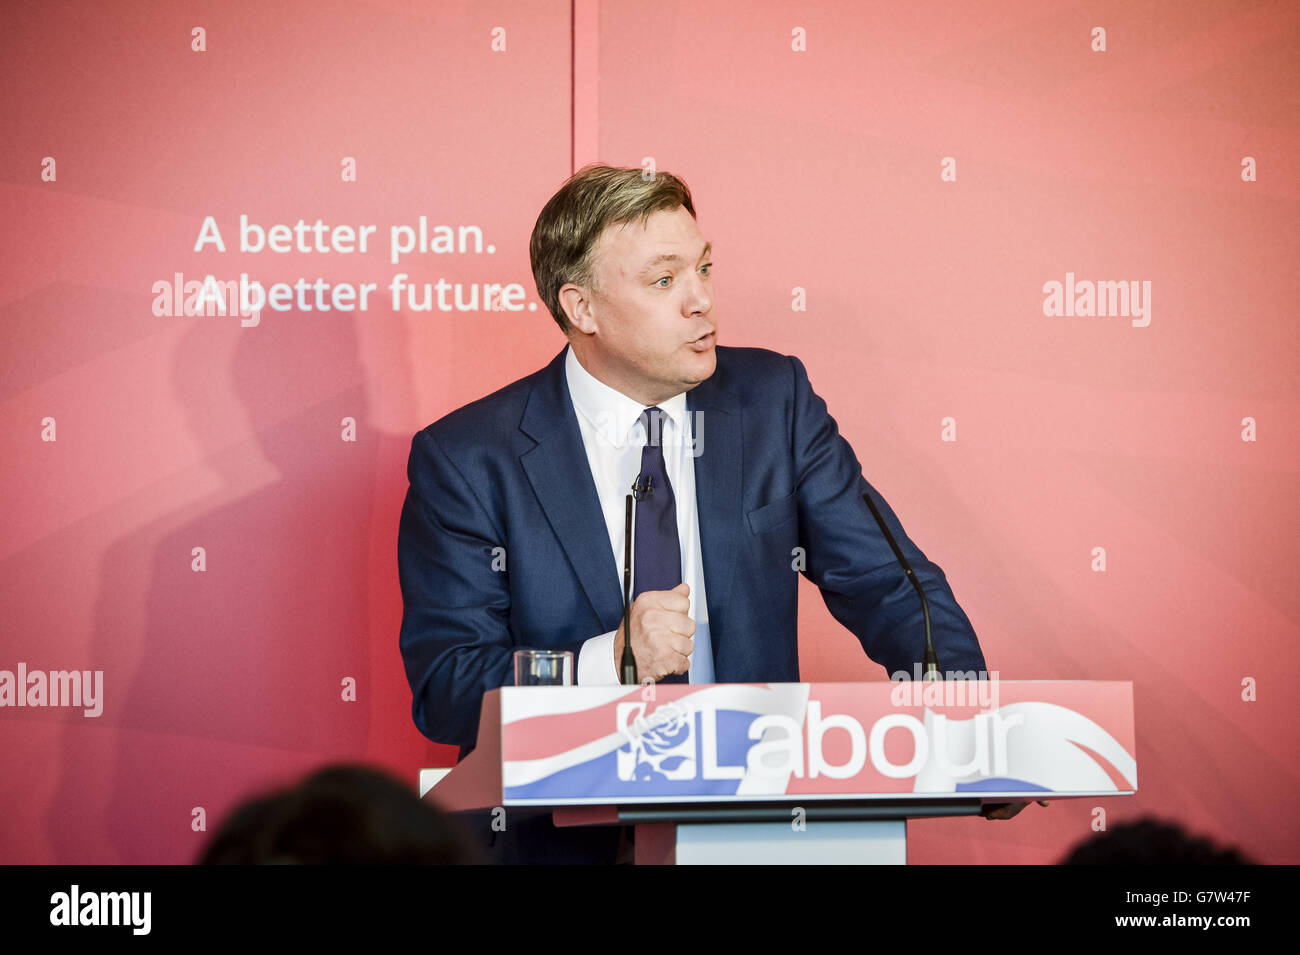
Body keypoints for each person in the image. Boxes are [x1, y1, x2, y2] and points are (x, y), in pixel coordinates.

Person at [398, 165, 990, 863]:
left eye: (705, 268)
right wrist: (608, 661)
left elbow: (889, 582)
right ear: (582, 308)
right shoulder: (468, 457)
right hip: (552, 845)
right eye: (664, 280)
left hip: (756, 832)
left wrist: (971, 723)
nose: (703, 300)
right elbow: (449, 685)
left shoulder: (773, 401)